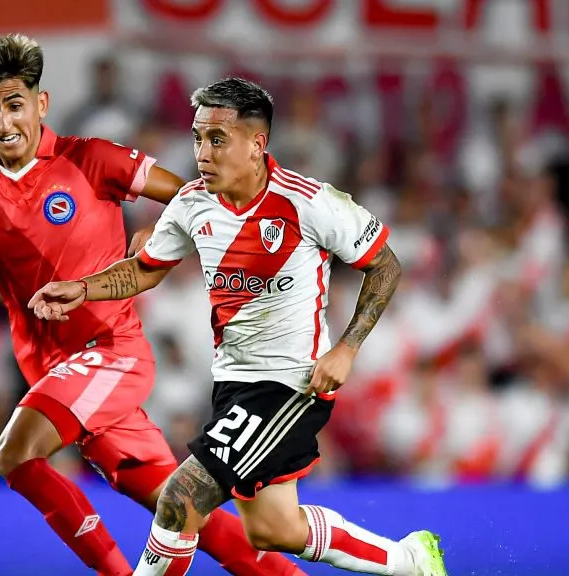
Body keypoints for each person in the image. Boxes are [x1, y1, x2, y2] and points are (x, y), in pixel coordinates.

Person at [29, 78, 449, 576]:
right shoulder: (191, 204)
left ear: (257, 144)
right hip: (234, 382)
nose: (202, 153)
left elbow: (385, 265)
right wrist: (83, 288)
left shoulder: (308, 202)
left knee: (180, 500)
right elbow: (146, 268)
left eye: (217, 140)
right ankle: (409, 561)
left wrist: (347, 349)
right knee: (273, 529)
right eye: (197, 138)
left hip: (291, 381)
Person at [0, 35, 305, 576]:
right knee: (178, 507)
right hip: (51, 371)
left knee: (14, 453)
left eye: (15, 105)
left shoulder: (92, 159)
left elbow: (197, 198)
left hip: (110, 352)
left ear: (41, 103)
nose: (5, 122)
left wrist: (163, 228)